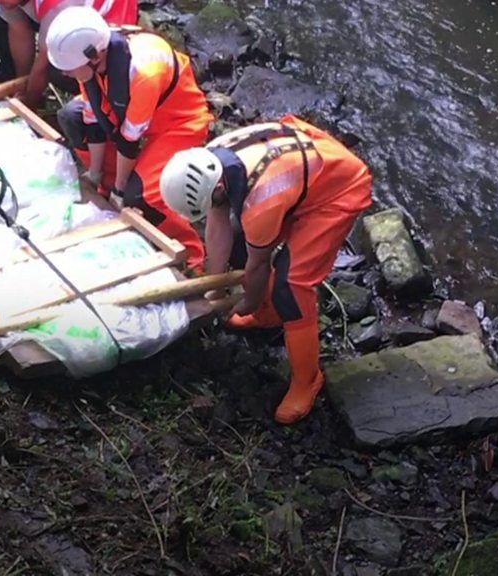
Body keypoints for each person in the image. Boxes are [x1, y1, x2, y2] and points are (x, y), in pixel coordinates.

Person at [160, 116, 374, 424]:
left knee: (293, 285)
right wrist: (214, 290)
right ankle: (267, 317)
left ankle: (307, 380)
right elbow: (218, 224)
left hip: (338, 190)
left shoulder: (262, 200)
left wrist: (249, 300)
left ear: (217, 186)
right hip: (304, 173)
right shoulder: (213, 160)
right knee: (239, 241)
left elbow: (258, 264)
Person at [48, 6, 213, 271]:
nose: (65, 74)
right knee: (72, 116)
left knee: (142, 194)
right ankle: (110, 190)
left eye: (69, 68)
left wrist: (122, 190)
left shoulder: (144, 72)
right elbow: (93, 122)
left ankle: (192, 256)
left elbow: (129, 140)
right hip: (130, 116)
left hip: (177, 123)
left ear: (94, 56)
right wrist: (95, 174)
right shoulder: (90, 58)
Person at [0, 0, 138, 106]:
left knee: (58, 66)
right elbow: (19, 31)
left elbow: (43, 66)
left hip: (103, 40)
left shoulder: (61, 8)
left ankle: (95, 98)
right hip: (62, 17)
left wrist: (28, 102)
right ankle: (11, 75)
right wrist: (21, 83)